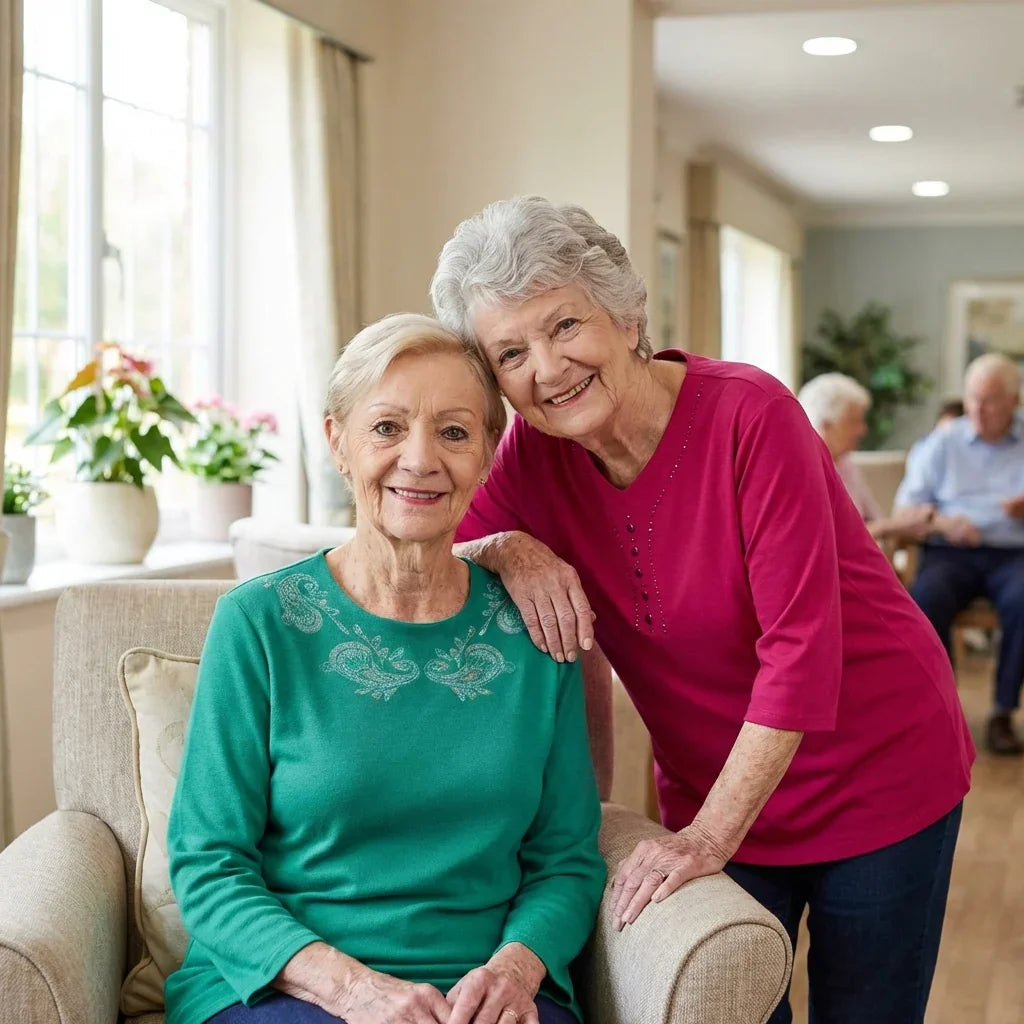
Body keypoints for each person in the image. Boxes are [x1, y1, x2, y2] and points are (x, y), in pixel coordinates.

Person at [430, 196, 974, 1024]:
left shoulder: (750, 416)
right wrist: (506, 547)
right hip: (710, 782)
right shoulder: (530, 460)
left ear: (625, 312)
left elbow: (801, 652)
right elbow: (433, 554)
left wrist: (705, 840)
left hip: (877, 766)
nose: (547, 367)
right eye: (511, 351)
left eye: (565, 324)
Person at [165, 313, 605, 1024]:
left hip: (484, 993)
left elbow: (568, 860)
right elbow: (208, 863)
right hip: (286, 985)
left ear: (488, 453)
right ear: (338, 442)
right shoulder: (259, 624)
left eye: (455, 432)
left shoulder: (535, 629)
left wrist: (515, 970)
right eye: (388, 428)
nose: (421, 459)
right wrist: (352, 990)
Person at [895, 353, 1024, 756]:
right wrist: (940, 521)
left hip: (1014, 554)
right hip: (951, 552)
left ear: (1015, 401)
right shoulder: (941, 444)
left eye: (990, 401)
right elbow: (905, 511)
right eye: (972, 399)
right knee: (926, 599)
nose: (978, 411)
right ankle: (940, 710)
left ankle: (1002, 712)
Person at [797, 371, 933, 540]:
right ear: (826, 426)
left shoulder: (846, 464)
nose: (863, 430)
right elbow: (832, 541)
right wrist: (885, 528)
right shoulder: (802, 472)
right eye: (854, 421)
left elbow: (875, 520)